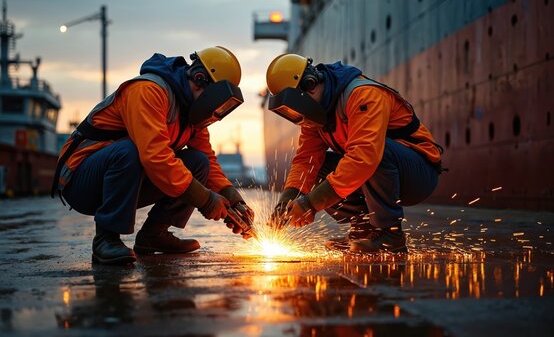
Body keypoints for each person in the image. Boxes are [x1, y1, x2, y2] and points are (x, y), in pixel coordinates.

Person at [52, 46, 254, 265]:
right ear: (199, 78)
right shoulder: (149, 91)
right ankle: (106, 238)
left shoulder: (192, 117)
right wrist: (206, 200)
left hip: (122, 178)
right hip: (81, 181)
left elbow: (209, 163)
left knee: (198, 162)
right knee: (129, 150)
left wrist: (233, 199)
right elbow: (155, 157)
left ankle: (153, 236)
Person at [266, 54, 443, 253]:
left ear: (310, 84)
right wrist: (287, 201)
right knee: (319, 168)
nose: (299, 115)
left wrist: (310, 204)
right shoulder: (315, 117)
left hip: (417, 174)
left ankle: (390, 234)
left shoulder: (363, 95)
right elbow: (306, 161)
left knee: (373, 151)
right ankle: (364, 231)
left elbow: (364, 157)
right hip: (377, 172)